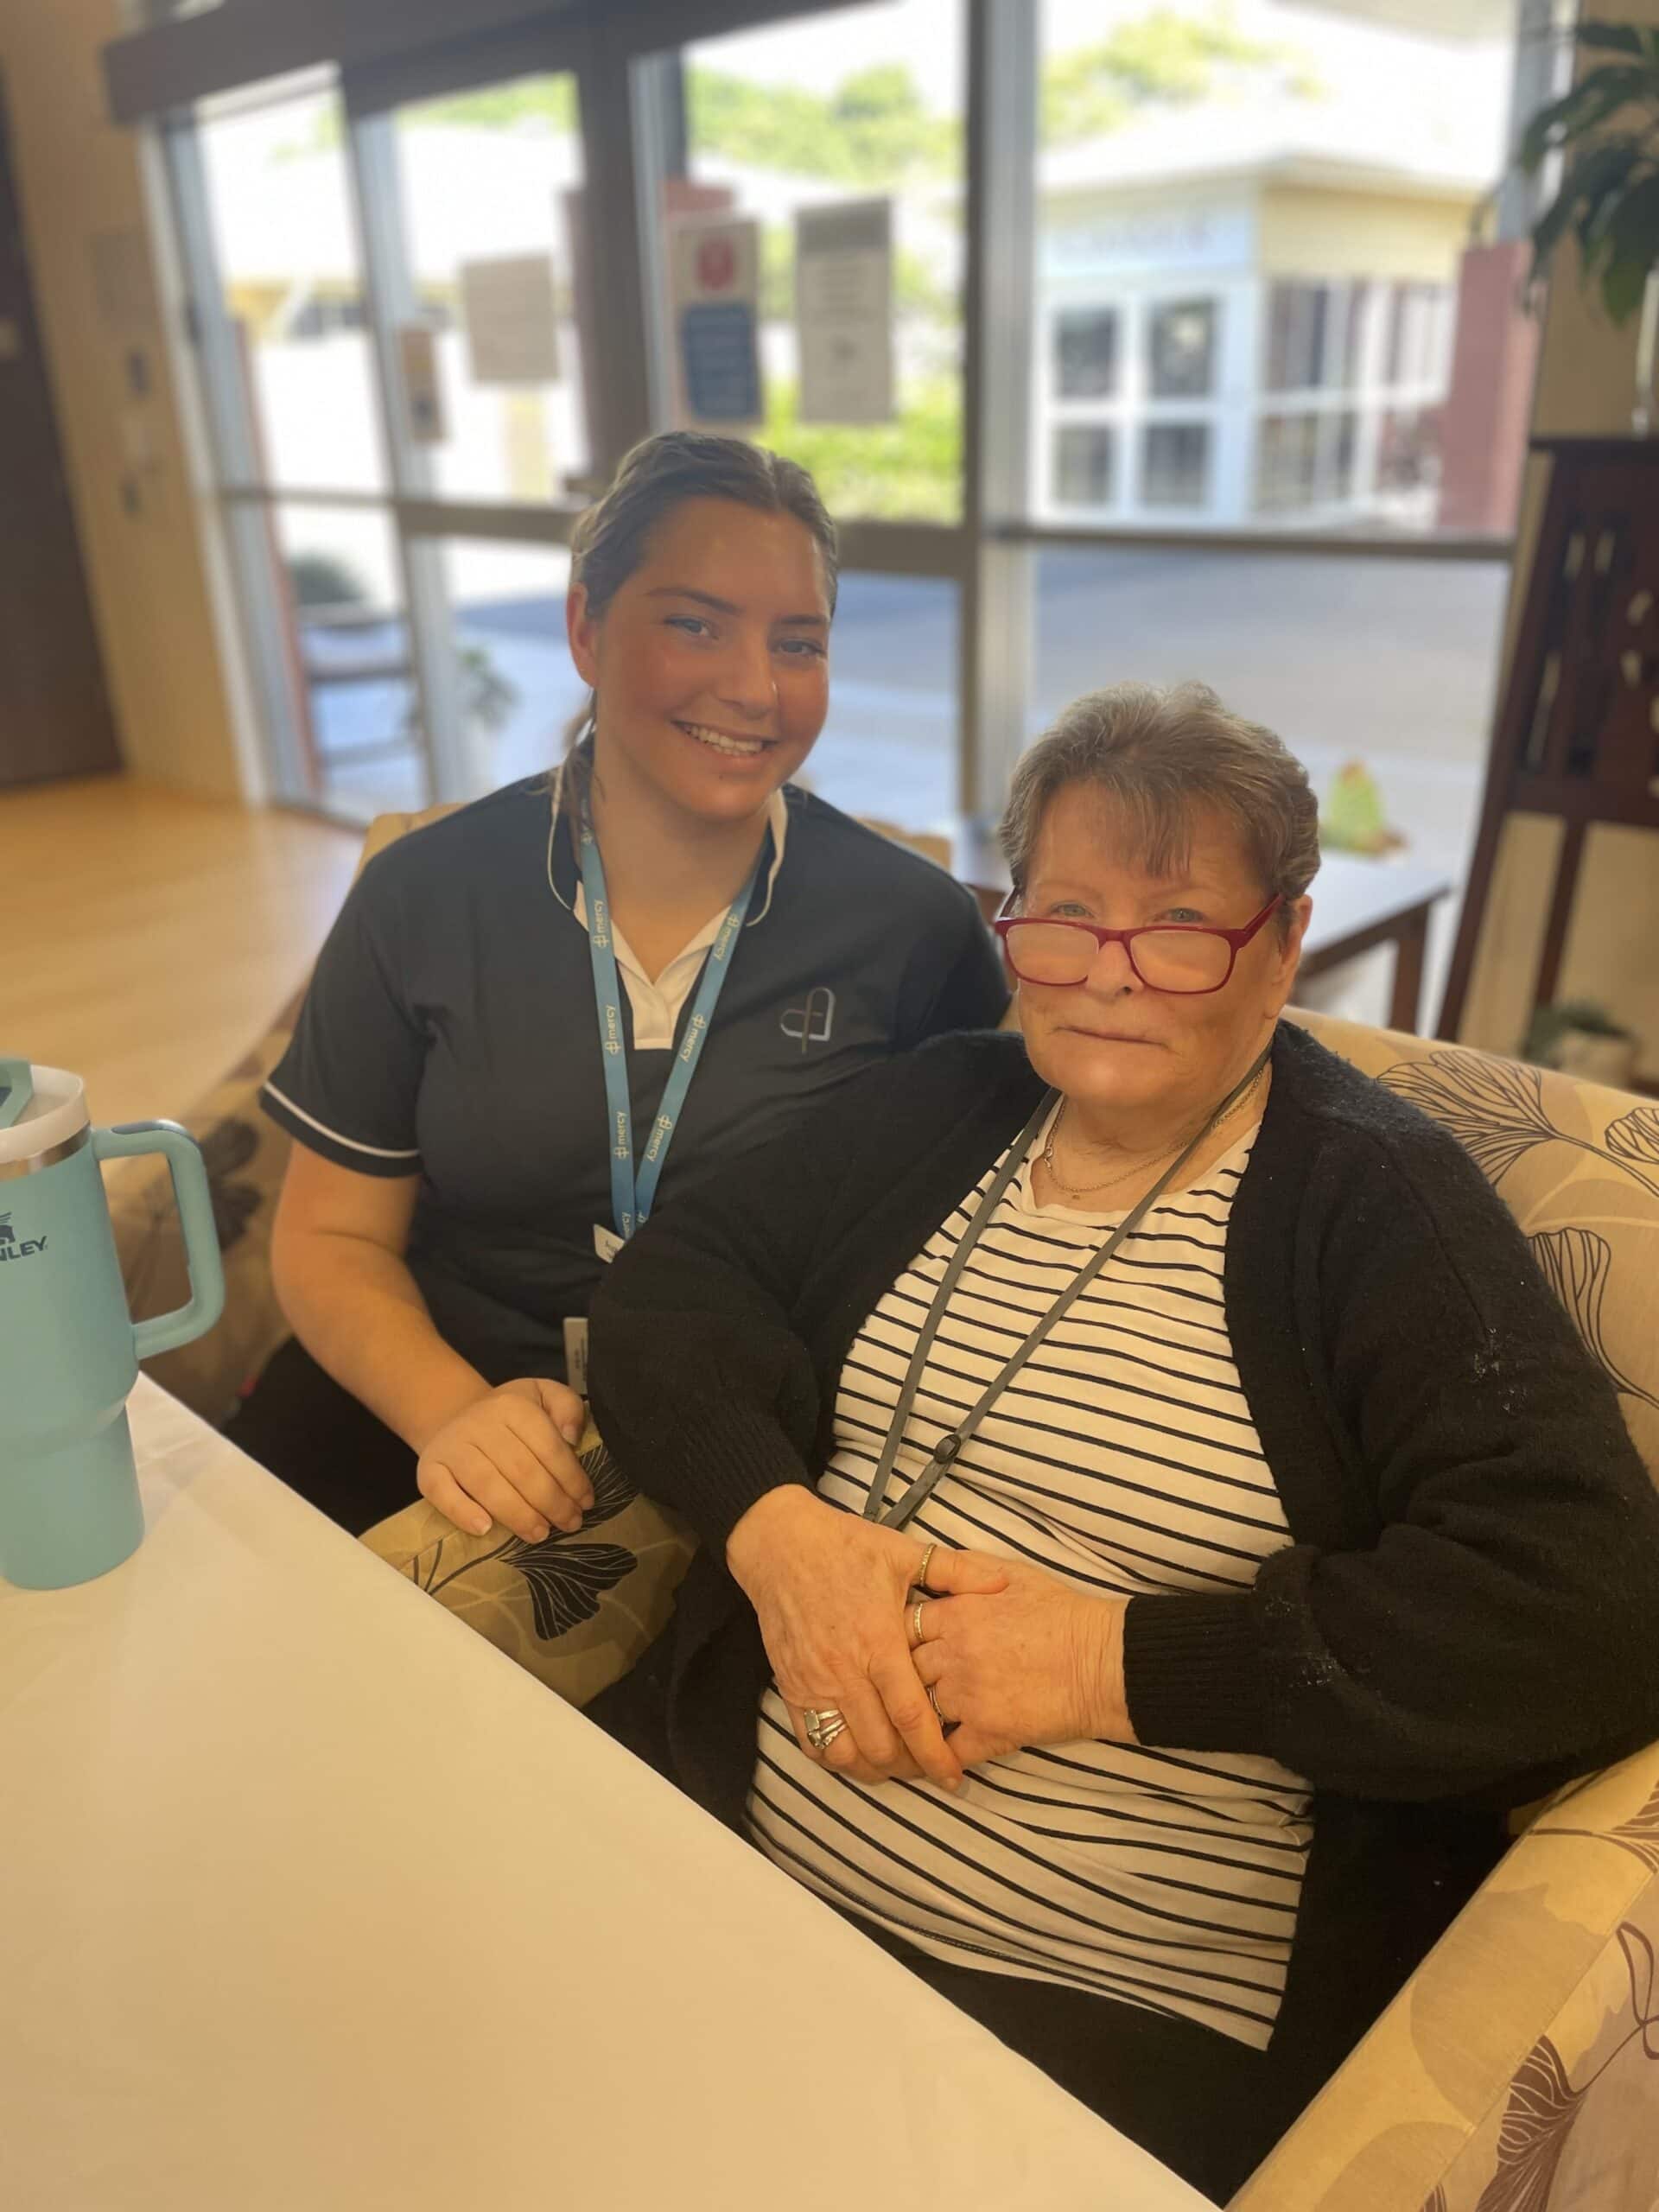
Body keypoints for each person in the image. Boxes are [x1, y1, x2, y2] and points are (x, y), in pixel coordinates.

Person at [588, 680, 1659, 2203]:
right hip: (710, 1850)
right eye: (1064, 915)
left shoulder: (1371, 1207)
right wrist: (785, 1539)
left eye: (1176, 925)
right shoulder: (946, 1101)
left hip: (1102, 2024)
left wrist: (1106, 1664)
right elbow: (675, 1292)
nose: (1106, 976)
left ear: (1280, 946)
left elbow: (1592, 1609)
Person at [233, 432, 1007, 1539]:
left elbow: (967, 1248)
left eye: (799, 643)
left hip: (753, 1448)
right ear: (586, 627)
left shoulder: (912, 926)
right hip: (438, 1392)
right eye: (695, 623)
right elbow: (329, 1240)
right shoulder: (424, 894)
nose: (753, 688)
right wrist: (453, 1412)